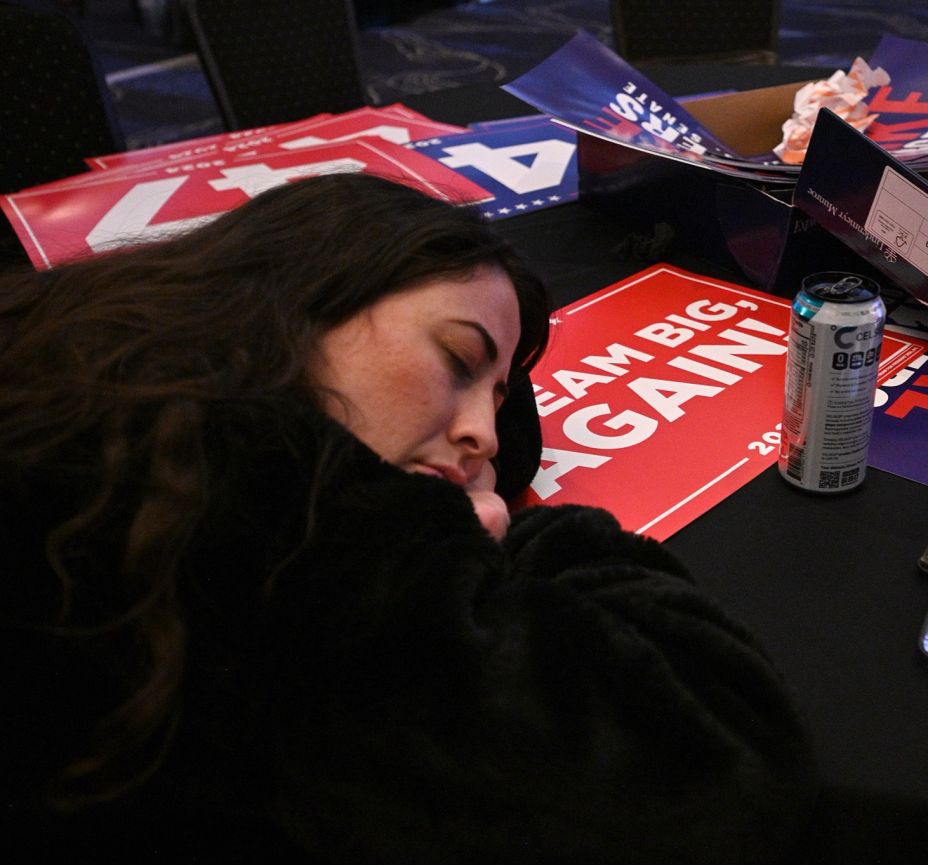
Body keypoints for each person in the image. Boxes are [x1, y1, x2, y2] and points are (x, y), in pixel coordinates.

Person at [0, 173, 817, 864]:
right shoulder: (265, 509)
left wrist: (469, 381)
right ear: (307, 292)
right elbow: (725, 758)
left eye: (496, 396)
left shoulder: (100, 365)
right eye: (458, 363)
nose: (485, 435)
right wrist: (514, 537)